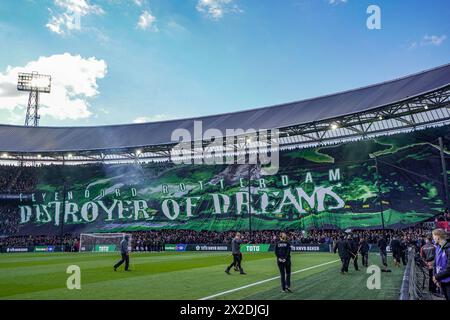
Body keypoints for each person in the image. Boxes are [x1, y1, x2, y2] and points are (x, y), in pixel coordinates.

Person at [432, 228, 450, 300]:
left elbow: (449, 269)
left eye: (433, 236)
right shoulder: (438, 248)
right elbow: (435, 264)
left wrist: (436, 277)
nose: (433, 238)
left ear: (438, 237)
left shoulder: (448, 249)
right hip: (441, 279)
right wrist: (436, 278)